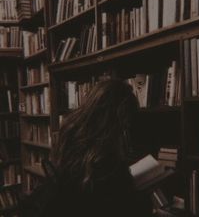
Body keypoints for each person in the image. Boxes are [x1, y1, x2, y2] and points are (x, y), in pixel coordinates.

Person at [20, 79, 153, 217]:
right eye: (126, 124)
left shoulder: (71, 131)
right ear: (119, 119)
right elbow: (123, 207)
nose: (127, 130)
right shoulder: (107, 162)